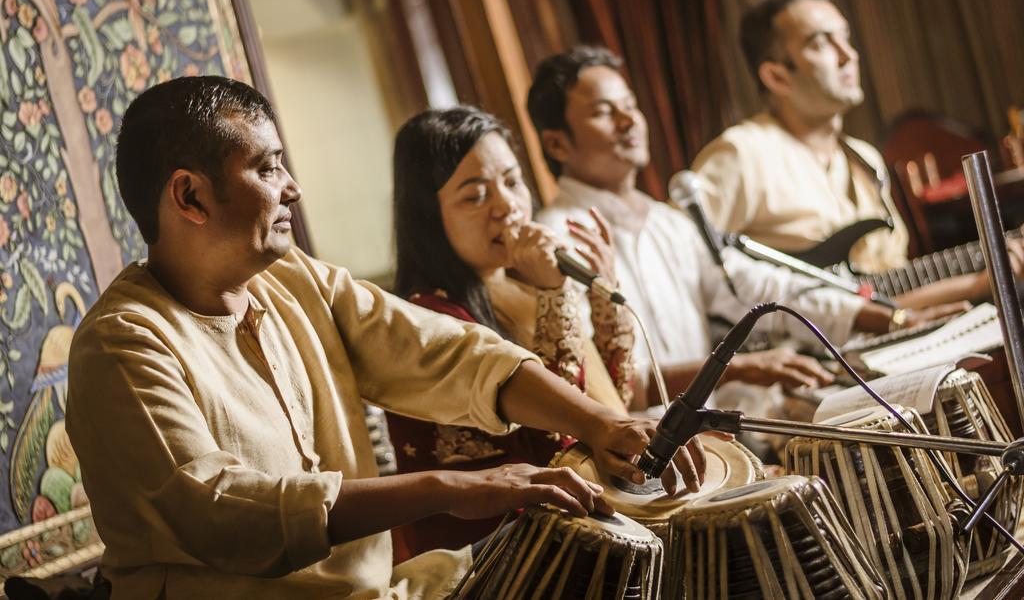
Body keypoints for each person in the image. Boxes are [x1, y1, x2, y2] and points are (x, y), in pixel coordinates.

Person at [65, 76, 704, 599]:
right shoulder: (123, 344)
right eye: (268, 168)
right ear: (190, 196)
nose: (294, 189)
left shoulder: (293, 278)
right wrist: (453, 489)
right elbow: (225, 512)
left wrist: (600, 423)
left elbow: (446, 351)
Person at [528, 46, 962, 414]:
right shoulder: (558, 239)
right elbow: (603, 381)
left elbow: (765, 287)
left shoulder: (669, 221)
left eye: (630, 105)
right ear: (557, 143)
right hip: (640, 461)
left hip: (710, 442)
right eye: (605, 112)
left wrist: (891, 318)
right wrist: (736, 367)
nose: (629, 121)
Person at [386, 105, 637, 558]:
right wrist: (554, 296)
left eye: (512, 180)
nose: (507, 206)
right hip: (507, 559)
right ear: (429, 217)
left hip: (584, 531)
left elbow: (611, 409)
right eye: (475, 196)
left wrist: (604, 299)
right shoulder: (429, 319)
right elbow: (559, 442)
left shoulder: (519, 286)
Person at [692, 0, 1024, 308]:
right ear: (776, 76)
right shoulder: (739, 155)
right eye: (821, 44)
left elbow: (887, 294)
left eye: (845, 38)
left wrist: (982, 281)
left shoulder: (865, 158)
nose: (848, 55)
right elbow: (686, 272)